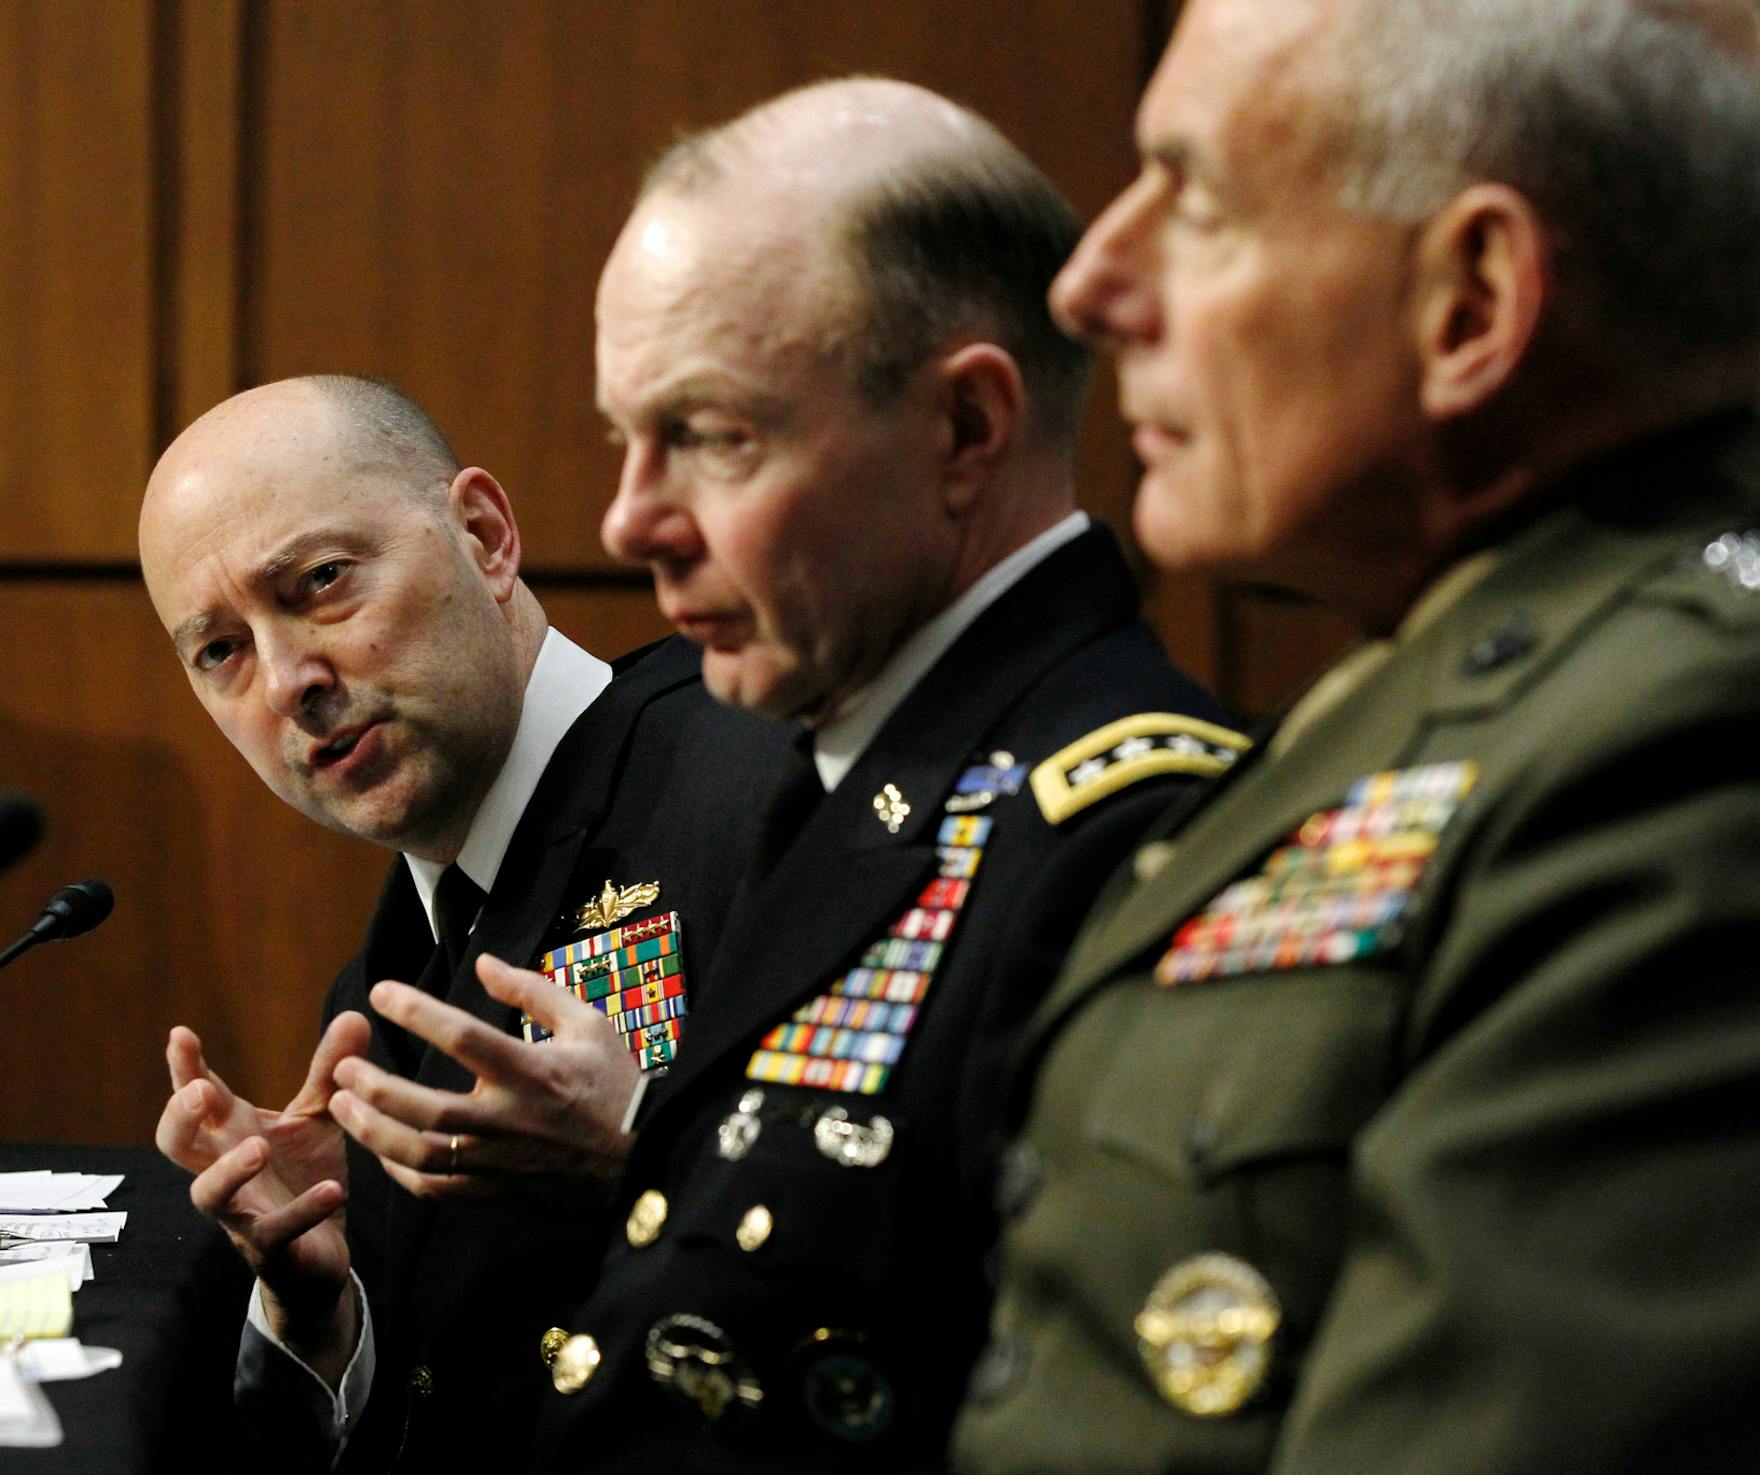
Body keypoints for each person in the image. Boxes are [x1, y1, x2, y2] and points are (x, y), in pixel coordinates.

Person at [956, 1, 1760, 1471]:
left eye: (1195, 200)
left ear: (1472, 302)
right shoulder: (1450, 674)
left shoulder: (1678, 748)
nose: (1092, 282)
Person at [410, 78, 1231, 1470]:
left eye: (713, 436)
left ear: (965, 431)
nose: (630, 519)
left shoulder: (1123, 834)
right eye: (624, 437)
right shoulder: (850, 769)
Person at [136, 374, 786, 1469]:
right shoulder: (391, 970)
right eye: (221, 649)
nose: (288, 681)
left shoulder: (761, 783)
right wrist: (325, 1308)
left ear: (484, 537)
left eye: (322, 582)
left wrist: (637, 1146)